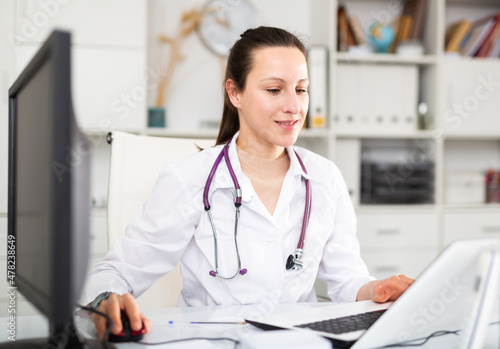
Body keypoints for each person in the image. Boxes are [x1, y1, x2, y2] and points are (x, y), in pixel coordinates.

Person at [82, 26, 414, 340]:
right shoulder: (190, 178)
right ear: (235, 93)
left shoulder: (324, 178)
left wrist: (377, 290)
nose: (294, 106)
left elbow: (347, 281)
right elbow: (119, 270)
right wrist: (105, 301)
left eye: (301, 89)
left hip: (298, 343)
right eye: (274, 89)